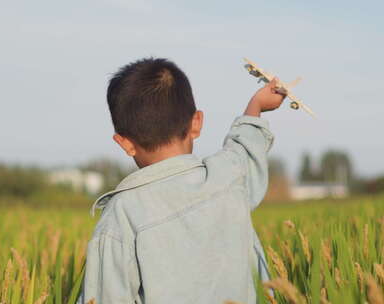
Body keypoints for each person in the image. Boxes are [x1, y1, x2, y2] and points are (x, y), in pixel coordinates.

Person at [77, 57, 285, 304]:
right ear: (196, 123)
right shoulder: (227, 176)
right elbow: (245, 146)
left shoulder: (122, 215)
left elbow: (104, 297)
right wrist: (256, 105)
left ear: (125, 143)